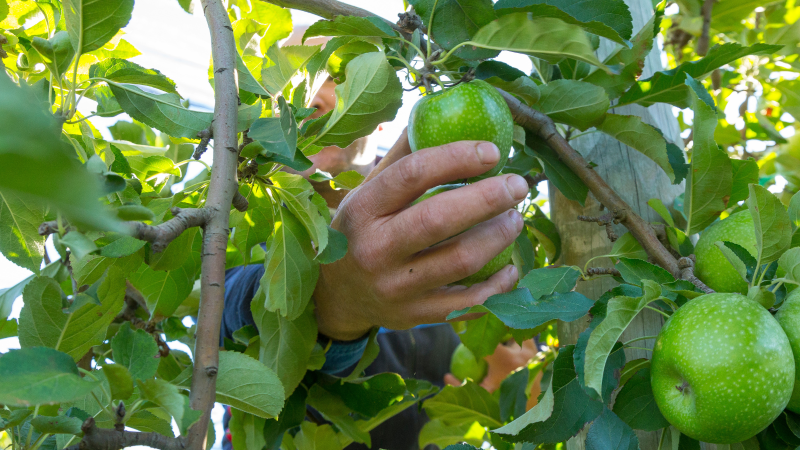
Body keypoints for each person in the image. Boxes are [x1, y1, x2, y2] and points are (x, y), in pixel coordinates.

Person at [219, 31, 536, 450]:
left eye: (334, 74)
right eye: (291, 81)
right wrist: (329, 301)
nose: (309, 95)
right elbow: (229, 310)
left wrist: (503, 394)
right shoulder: (240, 218)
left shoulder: (448, 224)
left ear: (378, 105)